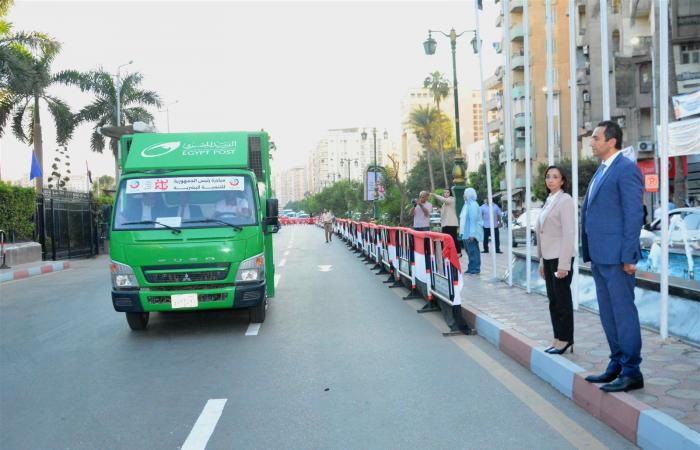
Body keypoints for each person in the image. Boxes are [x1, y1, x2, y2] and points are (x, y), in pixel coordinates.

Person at [581, 120, 645, 393]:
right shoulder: (601, 170)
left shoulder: (626, 169)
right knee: (608, 315)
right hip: (600, 256)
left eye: (596, 137)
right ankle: (617, 363)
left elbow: (634, 215)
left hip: (619, 258)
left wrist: (630, 255)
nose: (591, 142)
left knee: (623, 314)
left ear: (611, 141)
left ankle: (632, 371)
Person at [536, 166, 576, 355]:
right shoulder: (549, 200)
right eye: (548, 177)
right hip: (549, 257)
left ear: (562, 181)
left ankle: (566, 339)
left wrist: (564, 265)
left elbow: (568, 233)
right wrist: (542, 261)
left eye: (555, 177)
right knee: (553, 301)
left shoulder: (565, 200)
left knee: (563, 302)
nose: (550, 180)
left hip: (561, 257)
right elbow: (543, 233)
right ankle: (558, 337)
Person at [459, 188, 484, 274]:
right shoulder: (466, 205)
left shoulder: (473, 205)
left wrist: (472, 234)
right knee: (469, 251)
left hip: (470, 233)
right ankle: (471, 267)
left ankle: (475, 268)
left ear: (469, 195)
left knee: (473, 251)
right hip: (465, 232)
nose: (463, 196)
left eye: (465, 194)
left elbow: (473, 220)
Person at [431, 189, 461, 255]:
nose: (446, 193)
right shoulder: (445, 203)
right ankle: (448, 252)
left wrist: (434, 195)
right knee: (445, 239)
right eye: (445, 192)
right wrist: (439, 210)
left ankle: (458, 252)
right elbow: (444, 212)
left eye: (448, 192)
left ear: (450, 193)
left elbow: (443, 199)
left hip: (451, 223)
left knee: (453, 238)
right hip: (445, 224)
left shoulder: (451, 199)